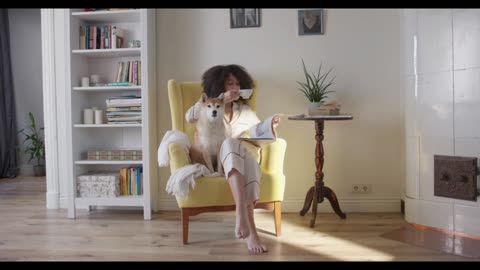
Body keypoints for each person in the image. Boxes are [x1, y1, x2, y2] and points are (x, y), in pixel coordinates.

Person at [185, 64, 280, 254]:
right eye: (230, 84)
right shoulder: (207, 106)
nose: (235, 88)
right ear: (220, 86)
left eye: (237, 84)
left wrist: (271, 128)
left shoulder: (245, 110)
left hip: (246, 158)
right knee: (228, 143)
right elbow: (189, 117)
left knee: (242, 153)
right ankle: (249, 227)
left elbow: (257, 133)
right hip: (226, 160)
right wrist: (220, 99)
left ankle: (241, 215)